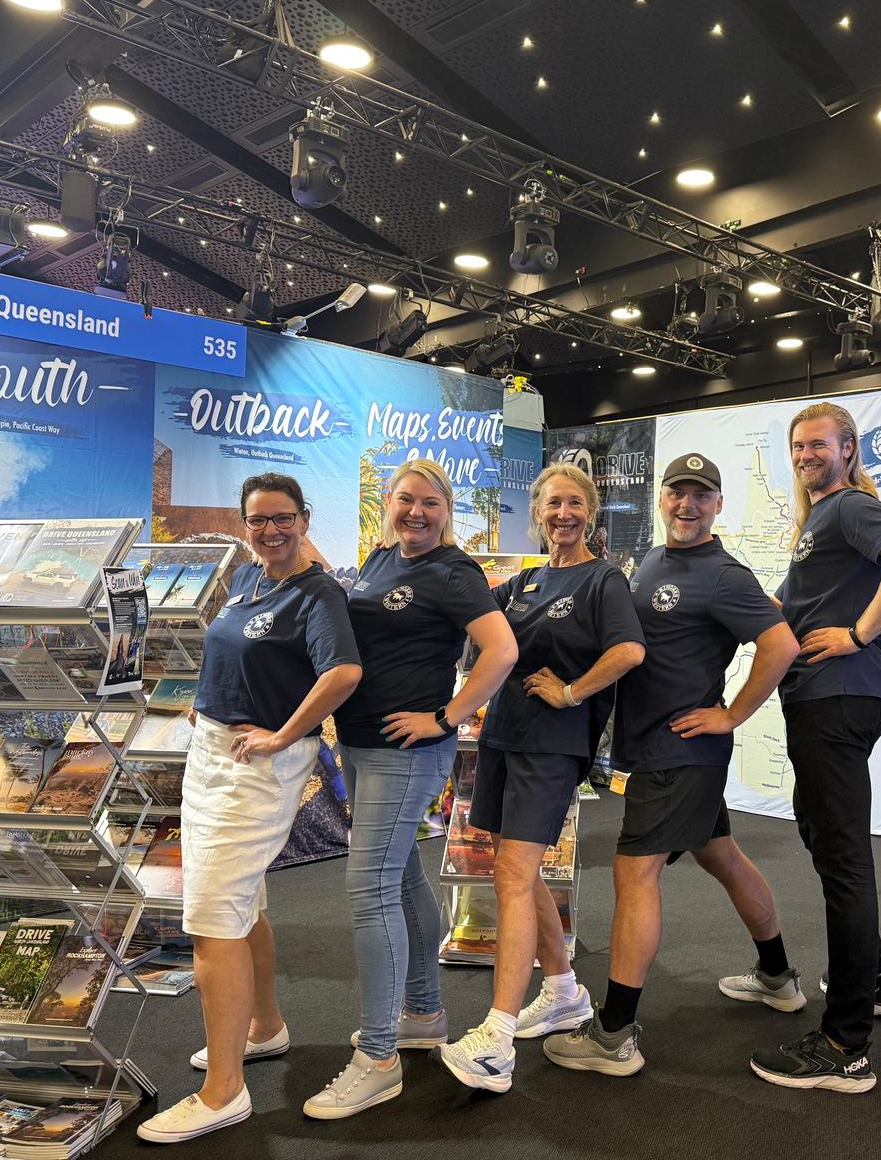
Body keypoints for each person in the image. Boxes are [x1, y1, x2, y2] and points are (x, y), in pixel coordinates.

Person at [542, 453, 800, 1076]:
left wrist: (732, 713)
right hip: (666, 749)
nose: (686, 505)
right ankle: (777, 977)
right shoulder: (655, 561)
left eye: (700, 495)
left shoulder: (723, 575)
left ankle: (614, 1036)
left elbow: (781, 643)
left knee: (634, 876)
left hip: (679, 750)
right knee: (723, 856)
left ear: (716, 505)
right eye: (677, 493)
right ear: (662, 498)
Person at [139, 473, 363, 1144]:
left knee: (211, 920)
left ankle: (223, 1092)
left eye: (283, 518)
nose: (270, 530)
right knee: (243, 905)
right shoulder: (249, 580)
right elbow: (241, 656)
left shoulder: (316, 593)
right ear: (245, 524)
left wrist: (286, 733)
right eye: (258, 520)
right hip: (212, 750)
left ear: (304, 518)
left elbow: (343, 673)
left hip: (252, 767)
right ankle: (264, 1027)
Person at [302, 459, 517, 1119]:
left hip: (410, 749)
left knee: (367, 889)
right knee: (399, 882)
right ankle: (422, 1012)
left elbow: (501, 651)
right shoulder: (378, 560)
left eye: (430, 503)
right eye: (405, 501)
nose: (416, 512)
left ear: (446, 508)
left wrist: (446, 715)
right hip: (363, 741)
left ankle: (379, 1057)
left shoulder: (454, 573)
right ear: (389, 505)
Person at [751, 402, 881, 1094]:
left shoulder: (844, 508)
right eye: (798, 446)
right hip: (824, 699)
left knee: (843, 858)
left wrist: (859, 633)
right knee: (829, 840)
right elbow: (783, 611)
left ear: (849, 448)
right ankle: (875, 983)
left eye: (817, 445)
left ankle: (845, 1042)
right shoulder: (821, 524)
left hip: (837, 695)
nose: (805, 456)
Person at [439, 463, 646, 1093]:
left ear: (591, 513)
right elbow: (483, 637)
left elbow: (630, 650)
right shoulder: (524, 581)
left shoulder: (602, 578)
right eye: (554, 503)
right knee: (512, 866)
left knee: (513, 873)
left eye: (576, 504)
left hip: (552, 746)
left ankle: (497, 1038)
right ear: (537, 512)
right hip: (505, 735)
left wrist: (574, 692)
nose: (564, 514)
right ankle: (562, 992)